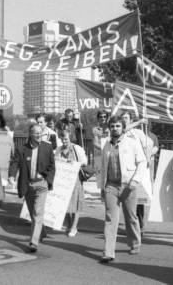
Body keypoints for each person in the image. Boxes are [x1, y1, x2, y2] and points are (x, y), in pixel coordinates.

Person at [98, 116, 146, 263]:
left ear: (123, 127)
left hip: (128, 185)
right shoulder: (106, 144)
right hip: (111, 186)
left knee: (131, 217)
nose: (115, 128)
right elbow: (103, 167)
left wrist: (135, 181)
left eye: (118, 126)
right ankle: (108, 252)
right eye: (112, 126)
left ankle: (135, 244)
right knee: (110, 219)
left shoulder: (132, 143)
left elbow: (142, 162)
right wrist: (102, 186)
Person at [8, 124, 55, 253]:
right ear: (30, 134)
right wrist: (12, 176)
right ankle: (42, 232)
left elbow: (52, 166)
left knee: (37, 212)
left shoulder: (47, 147)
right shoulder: (22, 148)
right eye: (36, 133)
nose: (39, 135)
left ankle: (33, 242)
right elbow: (15, 162)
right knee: (33, 212)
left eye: (40, 132)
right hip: (27, 184)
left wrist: (48, 180)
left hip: (41, 185)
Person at [120, 111, 150, 234]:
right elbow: (124, 129)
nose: (124, 120)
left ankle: (140, 226)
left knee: (139, 201)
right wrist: (139, 121)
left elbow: (147, 145)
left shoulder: (138, 132)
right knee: (127, 200)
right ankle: (131, 226)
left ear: (131, 119)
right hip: (125, 170)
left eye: (126, 118)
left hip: (138, 169)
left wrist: (148, 158)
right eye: (122, 118)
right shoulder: (120, 132)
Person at [56, 129, 87, 237]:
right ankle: (69, 225)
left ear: (70, 139)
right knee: (64, 204)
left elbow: (84, 162)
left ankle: (74, 227)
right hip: (63, 180)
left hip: (75, 179)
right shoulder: (58, 149)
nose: (64, 141)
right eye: (62, 139)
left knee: (76, 204)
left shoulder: (76, 148)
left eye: (66, 139)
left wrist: (74, 163)